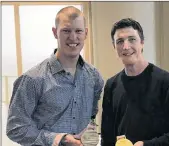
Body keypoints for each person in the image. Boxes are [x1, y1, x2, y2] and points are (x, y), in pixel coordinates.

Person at [6, 6, 104, 146]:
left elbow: (92, 115)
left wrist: (90, 132)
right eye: (66, 31)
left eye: (78, 31)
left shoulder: (94, 77)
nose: (73, 37)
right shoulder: (32, 79)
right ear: (55, 32)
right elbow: (15, 128)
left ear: (86, 33)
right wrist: (58, 139)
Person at [101, 18, 169, 146]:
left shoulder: (167, 83)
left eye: (132, 39)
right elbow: (107, 139)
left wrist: (147, 145)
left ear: (142, 43)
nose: (126, 46)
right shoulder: (111, 85)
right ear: (114, 47)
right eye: (120, 41)